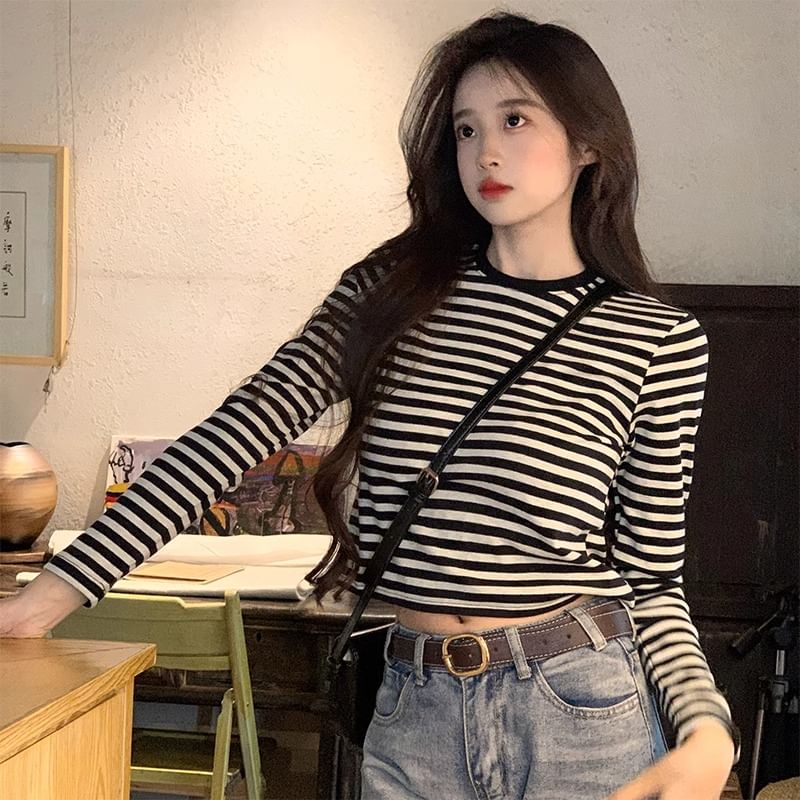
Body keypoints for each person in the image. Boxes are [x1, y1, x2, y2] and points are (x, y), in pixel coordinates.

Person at [0, 10, 737, 800]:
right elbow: (227, 440)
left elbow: (653, 582)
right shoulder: (389, 295)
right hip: (414, 706)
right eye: (465, 128)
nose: (485, 151)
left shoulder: (654, 339)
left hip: (579, 708)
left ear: (588, 142)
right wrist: (45, 598)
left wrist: (707, 730)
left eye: (516, 120)